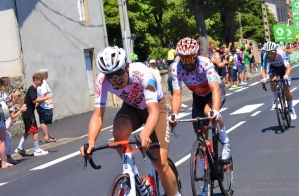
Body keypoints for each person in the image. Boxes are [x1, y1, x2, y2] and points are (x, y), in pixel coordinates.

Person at [79, 46, 180, 196]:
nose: (116, 79)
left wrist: (145, 134)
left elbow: (153, 111)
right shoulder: (101, 81)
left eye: (119, 72)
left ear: (127, 66)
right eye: (110, 75)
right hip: (132, 107)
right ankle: (136, 178)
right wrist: (91, 141)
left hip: (154, 106)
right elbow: (97, 115)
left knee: (160, 162)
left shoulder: (142, 73)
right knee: (118, 131)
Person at [169, 38, 231, 195]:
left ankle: (224, 139)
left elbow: (215, 89)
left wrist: (215, 111)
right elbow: (176, 94)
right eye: (184, 58)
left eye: (190, 57)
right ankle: (206, 178)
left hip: (213, 91)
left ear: (195, 56)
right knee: (200, 136)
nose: (187, 62)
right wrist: (174, 114)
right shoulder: (176, 68)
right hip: (198, 96)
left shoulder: (204, 62)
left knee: (209, 113)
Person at [15, 73, 53, 156]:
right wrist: (46, 98)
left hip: (29, 114)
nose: (42, 83)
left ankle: (20, 147)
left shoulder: (34, 89)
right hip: (28, 114)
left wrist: (45, 101)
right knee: (35, 131)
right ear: (35, 80)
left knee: (28, 131)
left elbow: (35, 103)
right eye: (41, 81)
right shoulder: (32, 89)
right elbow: (34, 101)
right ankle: (37, 150)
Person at [261, 42, 297, 120]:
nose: (270, 55)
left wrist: (286, 75)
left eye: (271, 53)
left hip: (283, 68)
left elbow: (288, 67)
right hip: (274, 68)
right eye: (268, 53)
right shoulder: (265, 56)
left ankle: (291, 109)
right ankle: (275, 100)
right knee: (272, 80)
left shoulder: (281, 53)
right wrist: (264, 78)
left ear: (275, 51)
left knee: (286, 88)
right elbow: (264, 70)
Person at [0, 77, 27, 164]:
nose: (11, 84)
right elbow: (8, 105)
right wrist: (15, 102)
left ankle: (5, 159)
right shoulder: (3, 94)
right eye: (9, 83)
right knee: (4, 141)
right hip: (2, 120)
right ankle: (6, 160)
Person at [37, 69, 56, 143]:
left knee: (44, 121)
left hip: (44, 106)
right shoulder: (43, 83)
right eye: (47, 73)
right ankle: (46, 137)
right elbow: (43, 95)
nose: (47, 74)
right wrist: (46, 100)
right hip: (44, 106)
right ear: (45, 74)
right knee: (44, 121)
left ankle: (47, 136)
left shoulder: (42, 83)